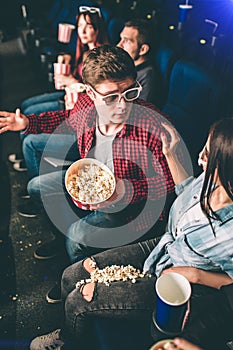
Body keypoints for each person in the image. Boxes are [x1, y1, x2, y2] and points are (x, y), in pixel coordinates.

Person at [25, 117, 233, 349]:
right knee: (71, 274)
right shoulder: (211, 180)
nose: (199, 158)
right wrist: (171, 154)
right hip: (164, 245)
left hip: (181, 282)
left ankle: (70, 341)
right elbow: (185, 190)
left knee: (78, 300)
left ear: (227, 169)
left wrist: (196, 275)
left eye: (207, 155)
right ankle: (71, 328)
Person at [0, 45, 176, 298]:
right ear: (91, 94)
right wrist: (30, 123)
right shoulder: (85, 104)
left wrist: (128, 189)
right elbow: (68, 120)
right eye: (110, 97)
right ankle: (66, 244)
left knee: (76, 236)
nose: (122, 105)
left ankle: (76, 285)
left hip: (132, 211)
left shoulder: (154, 125)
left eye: (130, 92)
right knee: (37, 186)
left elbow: (172, 186)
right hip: (93, 180)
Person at [9, 5, 109, 172]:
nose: (82, 31)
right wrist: (68, 65)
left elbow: (97, 95)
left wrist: (72, 81)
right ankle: (30, 158)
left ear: (98, 28)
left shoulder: (103, 58)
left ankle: (32, 160)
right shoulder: (83, 50)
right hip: (70, 103)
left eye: (88, 26)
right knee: (26, 107)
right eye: (80, 26)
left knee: (30, 133)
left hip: (79, 115)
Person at [117, 18, 157, 103]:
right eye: (121, 39)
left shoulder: (147, 76)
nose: (119, 45)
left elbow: (139, 111)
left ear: (143, 49)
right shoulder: (126, 66)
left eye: (126, 41)